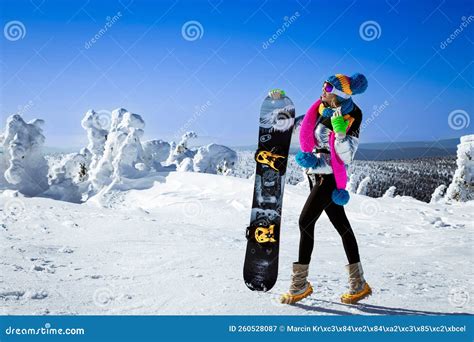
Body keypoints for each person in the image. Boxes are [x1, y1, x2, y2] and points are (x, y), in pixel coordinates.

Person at [280, 73, 371, 305]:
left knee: (305, 221)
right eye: (323, 83)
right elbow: (299, 127)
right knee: (342, 227)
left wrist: (340, 133)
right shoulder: (321, 110)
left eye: (328, 86)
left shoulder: (352, 115)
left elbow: (347, 155)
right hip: (316, 175)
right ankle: (358, 283)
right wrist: (279, 105)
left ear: (338, 94)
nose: (322, 88)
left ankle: (299, 284)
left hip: (329, 178)